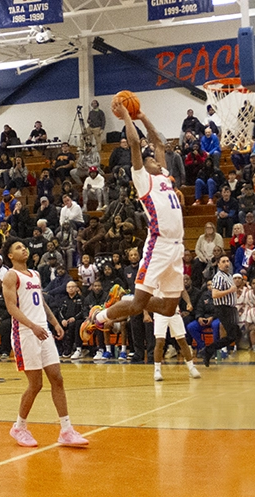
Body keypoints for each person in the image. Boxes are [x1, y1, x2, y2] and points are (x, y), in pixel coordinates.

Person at [81, 101, 185, 339]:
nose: (156, 161)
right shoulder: (142, 179)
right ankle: (99, 317)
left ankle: (125, 298)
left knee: (169, 307)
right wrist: (128, 116)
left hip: (177, 246)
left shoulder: (165, 176)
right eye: (151, 160)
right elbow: (136, 143)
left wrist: (144, 116)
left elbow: (158, 142)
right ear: (143, 166)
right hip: (158, 245)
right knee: (138, 305)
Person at [2, 237, 89, 448]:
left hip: (43, 329)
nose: (24, 249)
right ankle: (19, 427)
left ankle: (66, 430)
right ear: (10, 256)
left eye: (24, 246)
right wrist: (33, 326)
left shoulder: (35, 274)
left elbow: (40, 302)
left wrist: (55, 322)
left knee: (57, 378)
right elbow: (12, 308)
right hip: (25, 333)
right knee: (36, 384)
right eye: (18, 248)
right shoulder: (10, 276)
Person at [202, 255, 242, 367]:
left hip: (231, 308)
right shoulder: (218, 277)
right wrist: (230, 290)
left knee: (237, 333)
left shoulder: (229, 275)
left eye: (228, 261)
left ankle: (233, 353)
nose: (226, 263)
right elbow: (215, 294)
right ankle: (209, 350)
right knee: (232, 335)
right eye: (223, 261)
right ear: (218, 264)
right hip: (223, 308)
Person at [153, 303, 201, 382]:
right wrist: (146, 313)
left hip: (174, 313)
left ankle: (191, 367)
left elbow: (183, 290)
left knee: (182, 340)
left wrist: (188, 302)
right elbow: (147, 295)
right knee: (160, 341)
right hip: (160, 313)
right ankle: (157, 370)